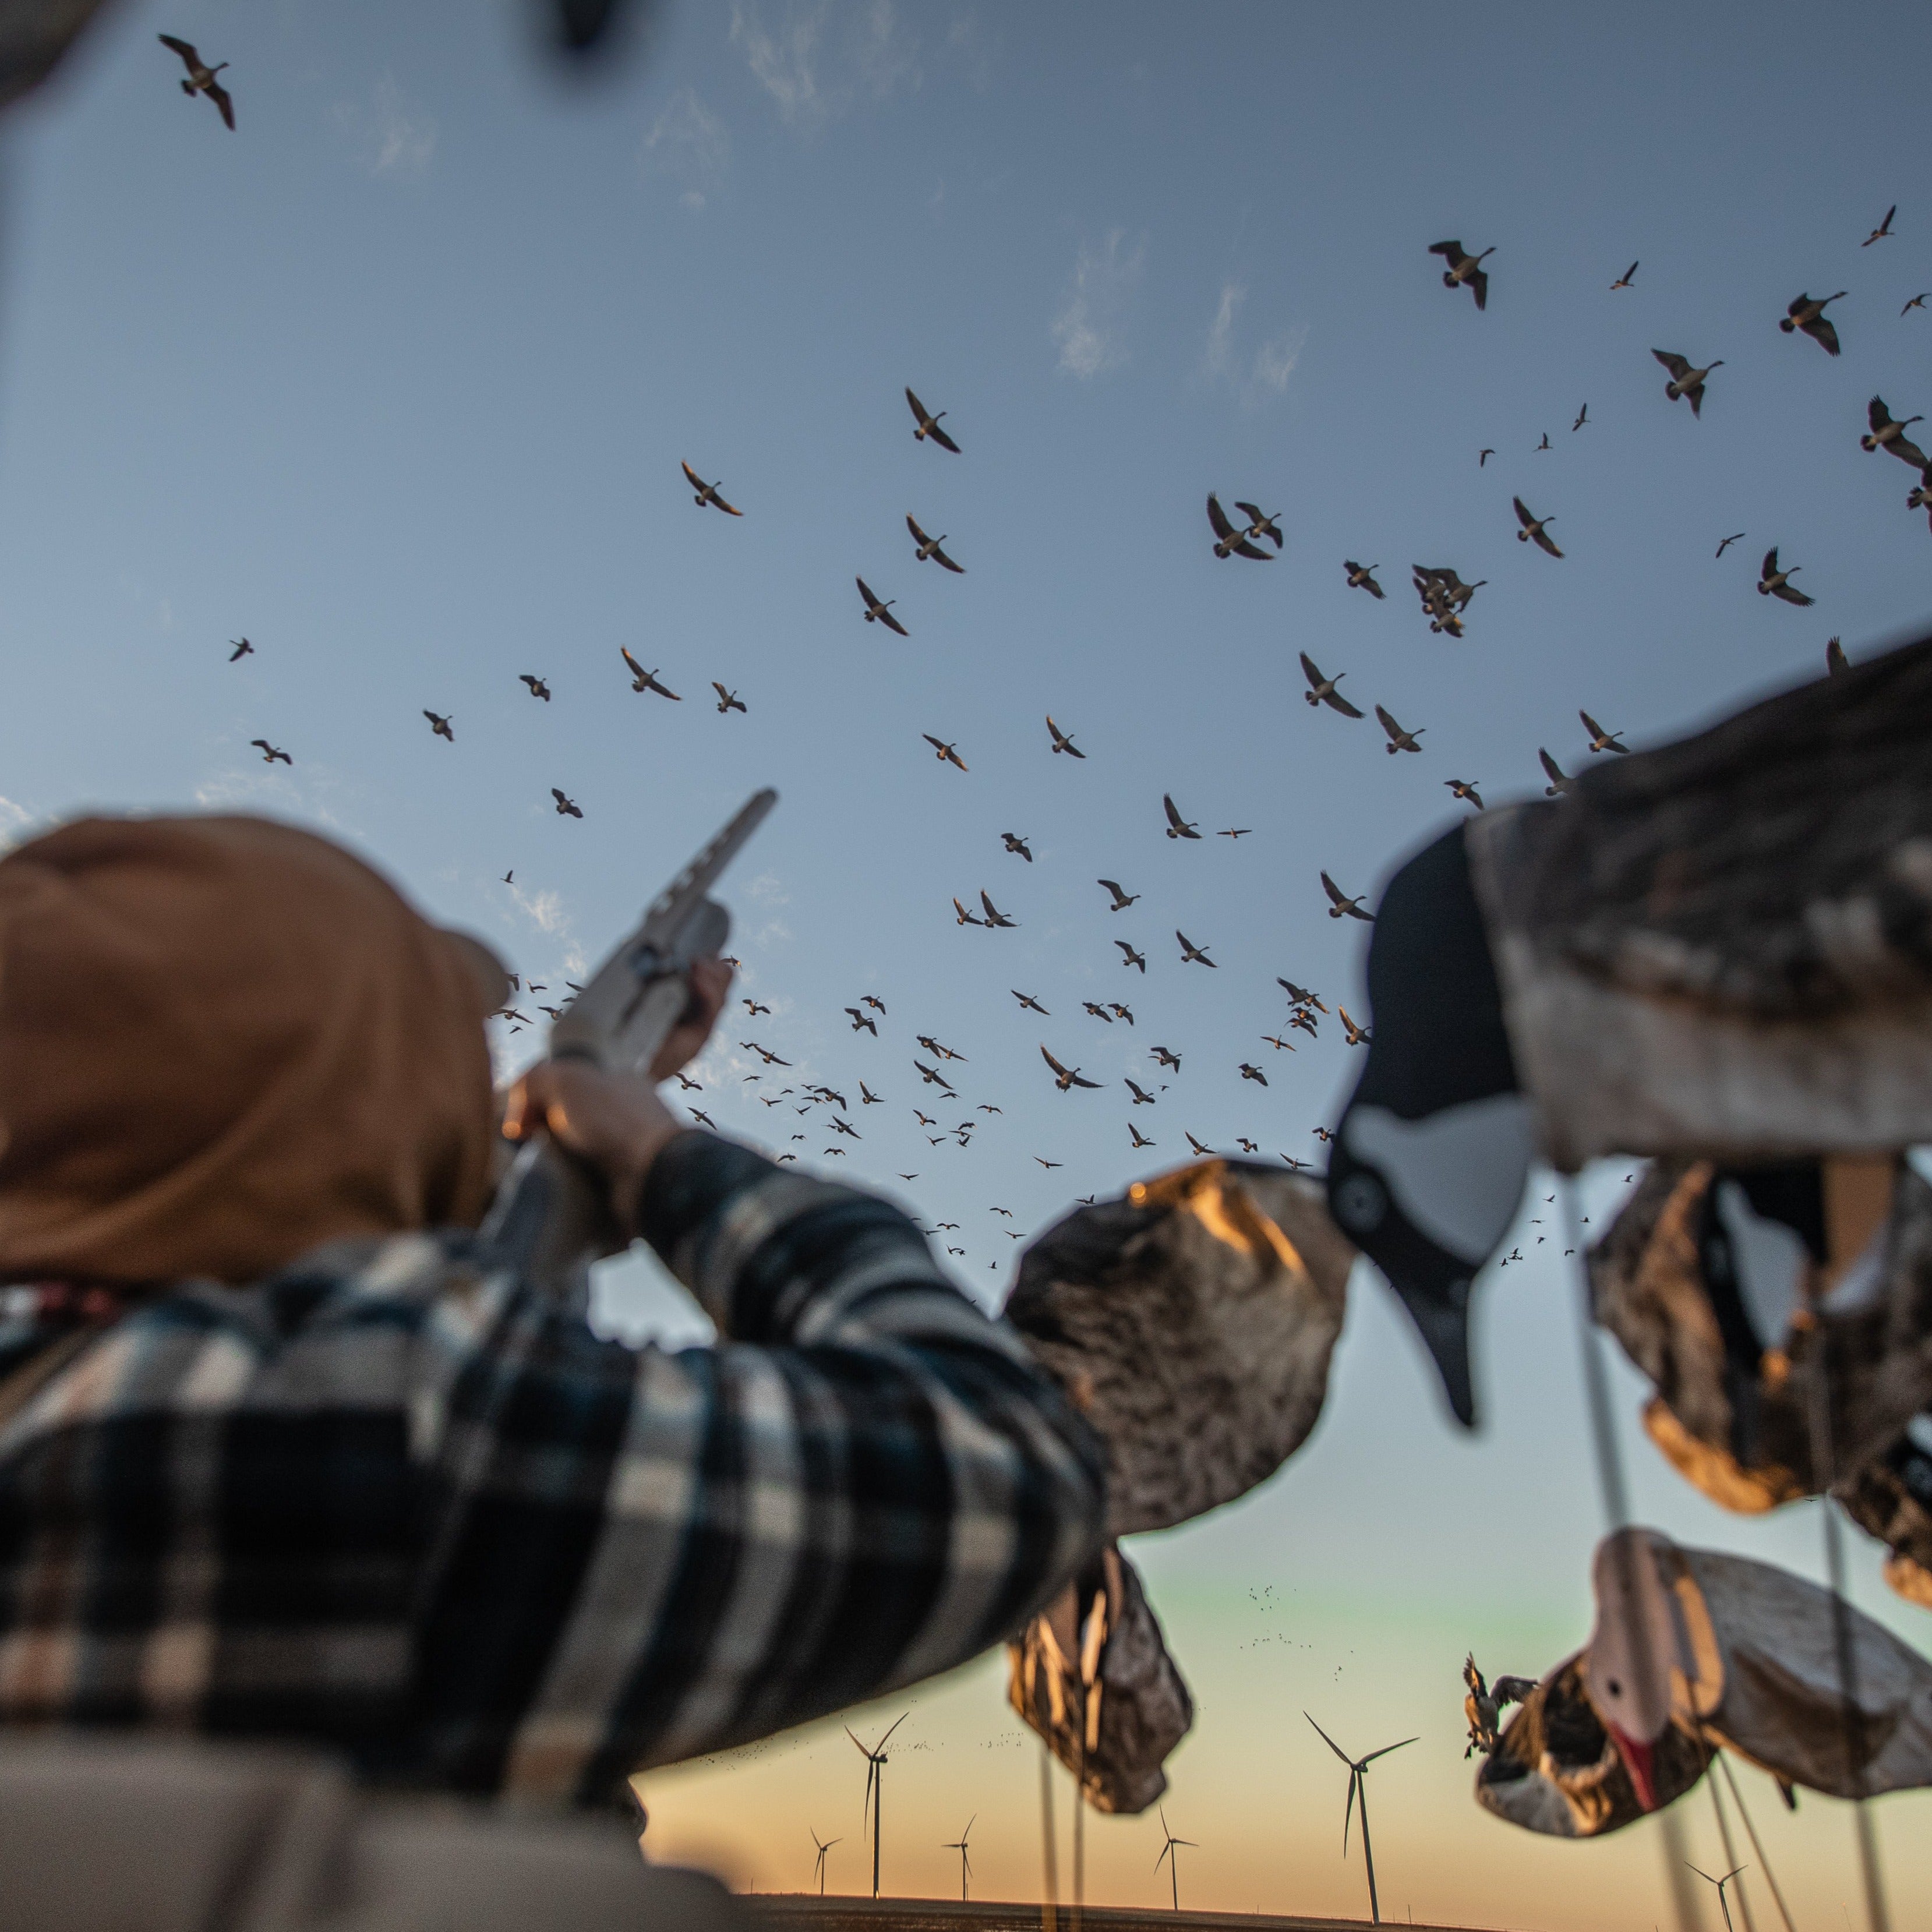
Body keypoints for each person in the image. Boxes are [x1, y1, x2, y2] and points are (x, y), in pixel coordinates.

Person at [0, 814, 1106, 1809]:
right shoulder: (378, 1430)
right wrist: (658, 1156)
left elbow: (403, 1314)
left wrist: (549, 1178)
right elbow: (1007, 1458)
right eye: (435, 1046)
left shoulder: (70, 1391)